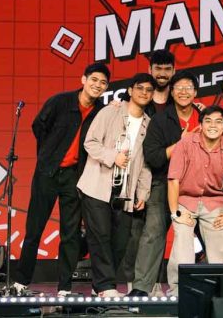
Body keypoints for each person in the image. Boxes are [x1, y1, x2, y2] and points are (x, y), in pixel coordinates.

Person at [11, 63, 110, 296]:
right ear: (83, 79)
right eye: (94, 80)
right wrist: (49, 154)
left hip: (75, 176)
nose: (97, 85)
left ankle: (64, 287)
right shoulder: (60, 101)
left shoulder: (102, 112)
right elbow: (39, 126)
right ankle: (21, 282)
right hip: (48, 172)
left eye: (103, 83)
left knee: (71, 233)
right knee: (34, 229)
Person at [77, 73, 155, 297]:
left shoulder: (149, 124)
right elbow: (90, 142)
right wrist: (113, 156)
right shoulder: (110, 111)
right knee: (100, 238)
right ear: (130, 90)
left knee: (120, 242)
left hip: (125, 192)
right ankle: (105, 288)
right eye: (139, 88)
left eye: (148, 90)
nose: (144, 93)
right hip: (97, 186)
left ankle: (99, 286)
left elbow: (146, 164)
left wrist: (143, 192)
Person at [128, 70, 202, 297]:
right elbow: (153, 157)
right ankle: (141, 288)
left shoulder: (205, 116)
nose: (183, 92)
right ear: (172, 91)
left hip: (199, 187)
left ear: (195, 92)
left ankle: (206, 286)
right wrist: (181, 142)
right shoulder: (160, 120)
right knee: (153, 233)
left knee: (209, 233)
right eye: (178, 88)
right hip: (164, 182)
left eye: (188, 88)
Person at [167, 105, 223, 295]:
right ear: (201, 125)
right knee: (183, 242)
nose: (213, 126)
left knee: (221, 250)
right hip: (185, 200)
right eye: (208, 121)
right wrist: (175, 213)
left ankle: (219, 292)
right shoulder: (185, 144)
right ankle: (178, 291)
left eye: (218, 122)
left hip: (215, 202)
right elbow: (173, 180)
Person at [124, 49, 175, 283]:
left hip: (169, 179)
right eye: (158, 69)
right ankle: (133, 285)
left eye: (167, 69)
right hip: (136, 177)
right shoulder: (137, 101)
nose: (162, 74)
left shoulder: (181, 102)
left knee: (157, 233)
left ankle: (151, 284)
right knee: (135, 234)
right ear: (150, 70)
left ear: (173, 71)